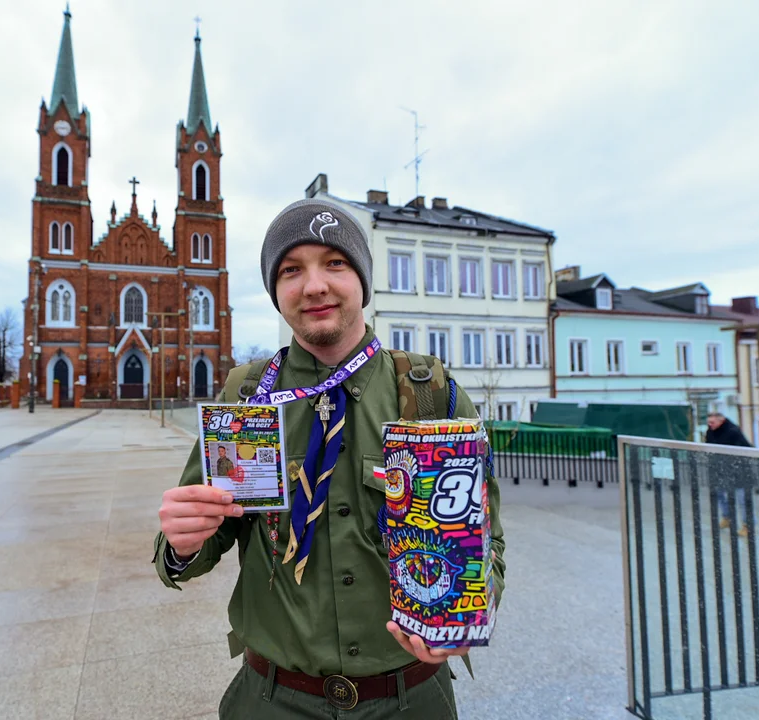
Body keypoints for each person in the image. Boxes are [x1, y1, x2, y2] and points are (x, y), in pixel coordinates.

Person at [154, 199, 506, 719]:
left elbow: (488, 541)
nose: (314, 285)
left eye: (334, 263)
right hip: (273, 701)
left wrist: (472, 608)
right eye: (291, 270)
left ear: (362, 277)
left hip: (410, 701)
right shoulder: (246, 398)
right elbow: (199, 545)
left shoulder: (430, 396)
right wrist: (183, 545)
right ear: (277, 291)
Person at [704, 412, 752, 537]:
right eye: (708, 422)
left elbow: (746, 448)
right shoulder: (711, 431)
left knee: (742, 499)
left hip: (739, 471)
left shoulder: (733, 431)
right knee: (720, 494)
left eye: (712, 422)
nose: (710, 425)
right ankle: (727, 517)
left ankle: (748, 525)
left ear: (721, 421)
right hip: (720, 470)